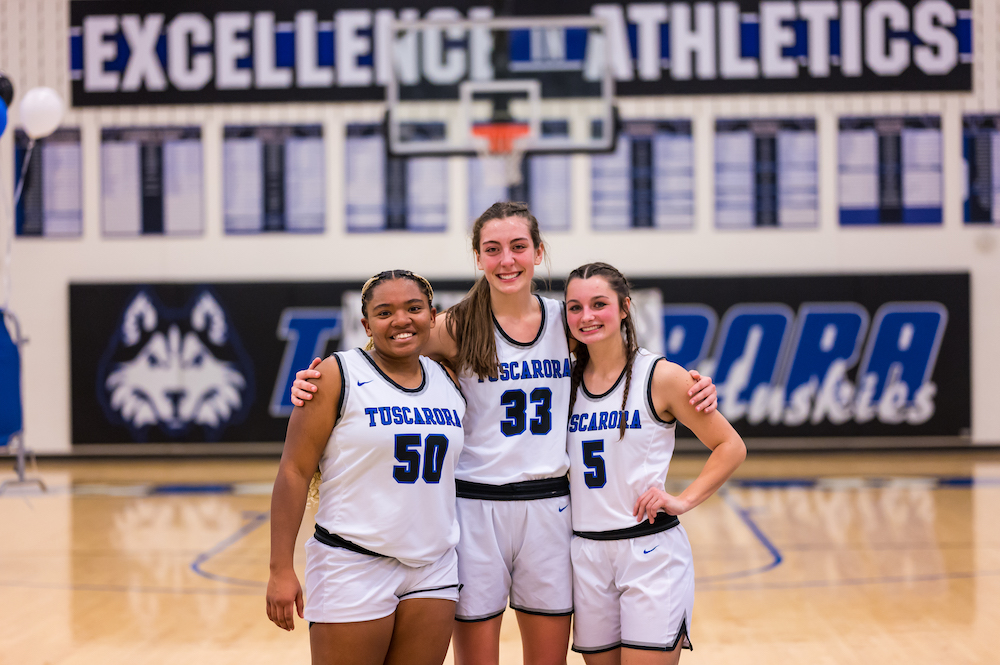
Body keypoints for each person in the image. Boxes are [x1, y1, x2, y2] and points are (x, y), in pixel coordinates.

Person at [291, 202, 719, 665]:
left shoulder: (567, 322)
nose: (506, 260)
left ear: (538, 251)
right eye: (492, 249)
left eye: (518, 247)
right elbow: (390, 344)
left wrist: (689, 382)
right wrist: (316, 380)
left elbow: (624, 360)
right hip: (475, 507)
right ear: (478, 257)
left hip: (551, 508)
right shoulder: (455, 325)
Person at [267, 270, 467, 665]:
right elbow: (293, 472)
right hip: (352, 563)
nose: (401, 320)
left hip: (434, 569)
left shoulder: (448, 378)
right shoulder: (335, 375)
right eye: (384, 312)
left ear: (432, 314)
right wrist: (280, 569)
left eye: (413, 308)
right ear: (366, 324)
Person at [563, 262, 746, 664]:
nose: (586, 316)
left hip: (648, 553)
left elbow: (730, 446)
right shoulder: (563, 380)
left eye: (599, 304)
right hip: (587, 554)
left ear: (625, 307)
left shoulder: (660, 376)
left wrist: (682, 500)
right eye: (574, 307)